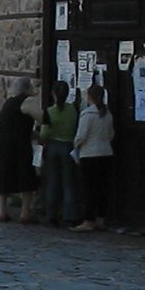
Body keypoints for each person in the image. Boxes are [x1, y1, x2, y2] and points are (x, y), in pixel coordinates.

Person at [0, 75, 38, 223]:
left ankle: (2, 211)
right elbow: (43, 118)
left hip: (3, 142)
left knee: (4, 174)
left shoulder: (8, 102)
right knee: (25, 174)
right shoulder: (26, 101)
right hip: (19, 143)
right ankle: (25, 213)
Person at [72, 82, 116, 232]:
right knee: (102, 188)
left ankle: (88, 219)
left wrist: (75, 146)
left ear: (89, 96)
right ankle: (100, 219)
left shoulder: (87, 114)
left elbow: (81, 136)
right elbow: (111, 134)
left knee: (89, 189)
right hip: (106, 153)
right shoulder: (107, 114)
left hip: (90, 154)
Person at [37, 79, 80, 227]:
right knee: (69, 182)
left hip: (53, 146)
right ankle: (70, 215)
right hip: (68, 145)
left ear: (53, 94)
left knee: (53, 182)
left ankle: (51, 214)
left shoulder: (49, 112)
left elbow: (44, 134)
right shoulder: (74, 109)